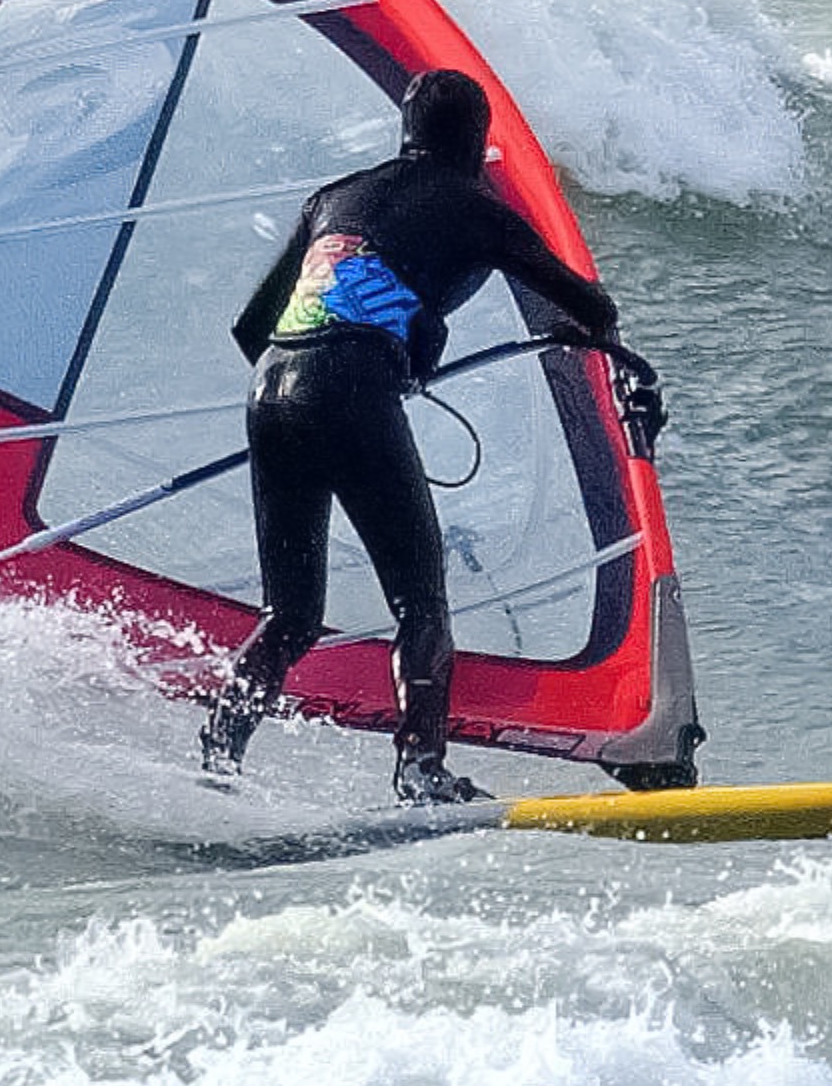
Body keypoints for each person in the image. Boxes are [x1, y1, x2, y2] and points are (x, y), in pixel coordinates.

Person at [203, 67, 646, 804]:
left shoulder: (334, 198)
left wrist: (361, 356)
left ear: (405, 133)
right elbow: (591, 307)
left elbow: (253, 326)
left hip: (271, 387)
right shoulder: (477, 206)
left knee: (289, 613)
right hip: (350, 391)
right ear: (478, 141)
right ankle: (422, 770)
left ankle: (219, 749)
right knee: (420, 604)